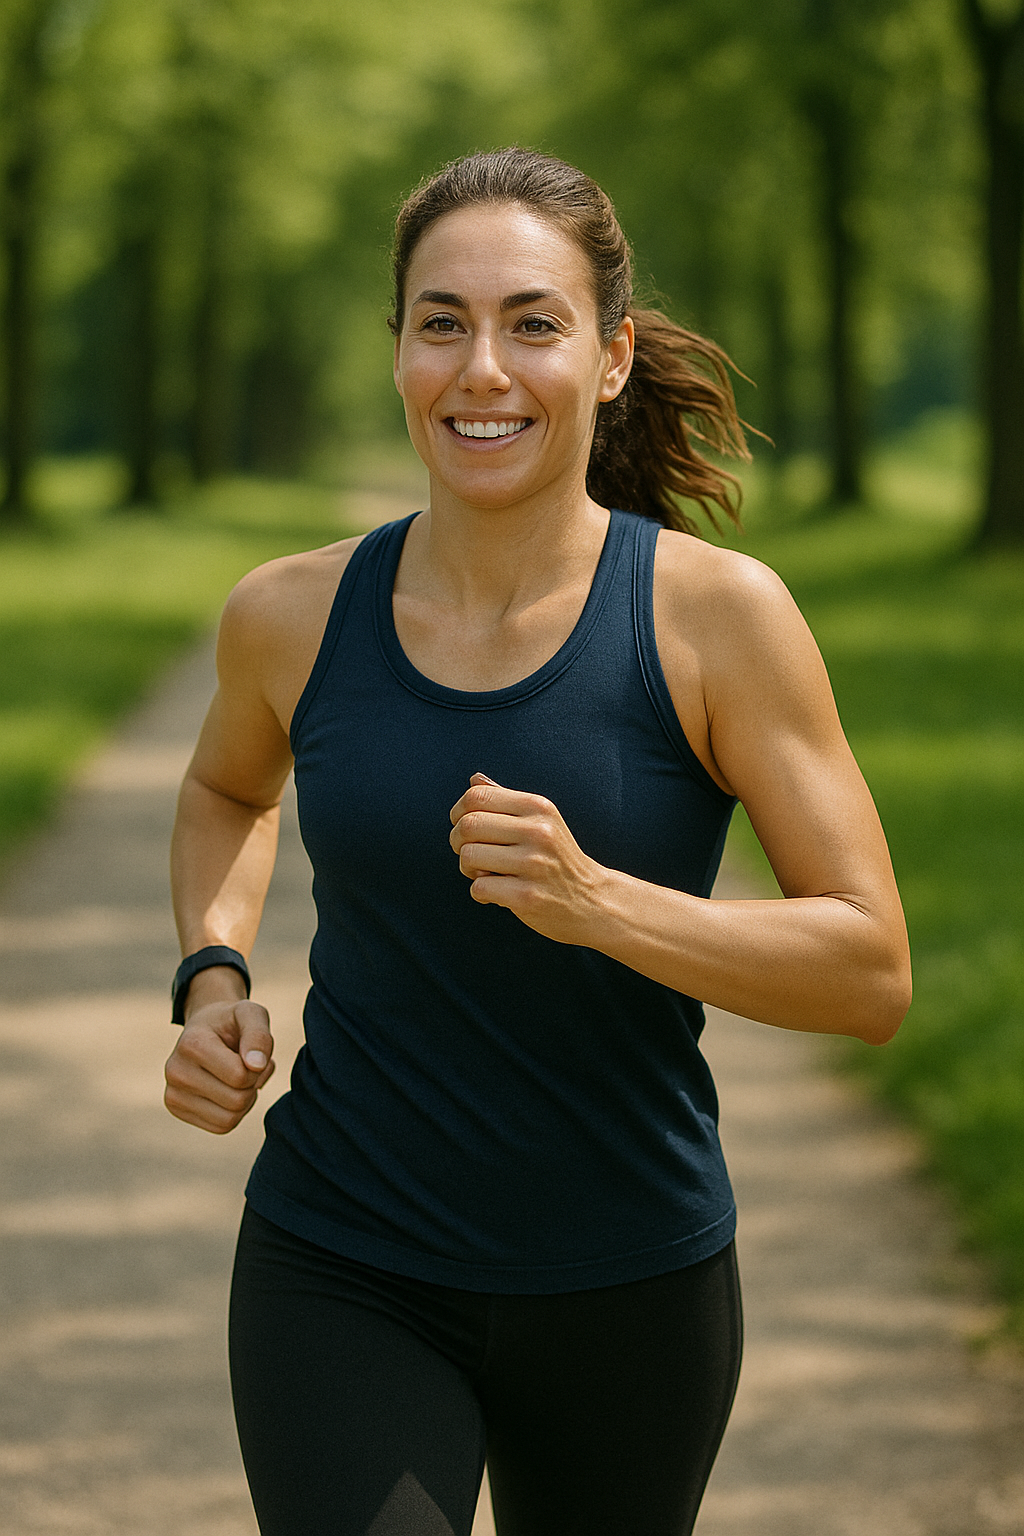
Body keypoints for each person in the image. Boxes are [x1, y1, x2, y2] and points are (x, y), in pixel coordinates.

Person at [164, 148, 911, 1536]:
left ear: (613, 356)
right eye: (441, 321)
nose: (482, 370)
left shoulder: (715, 622)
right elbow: (225, 793)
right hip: (344, 1257)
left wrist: (600, 904)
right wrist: (213, 975)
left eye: (532, 323)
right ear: (396, 351)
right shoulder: (289, 615)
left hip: (629, 1278)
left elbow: (870, 970)